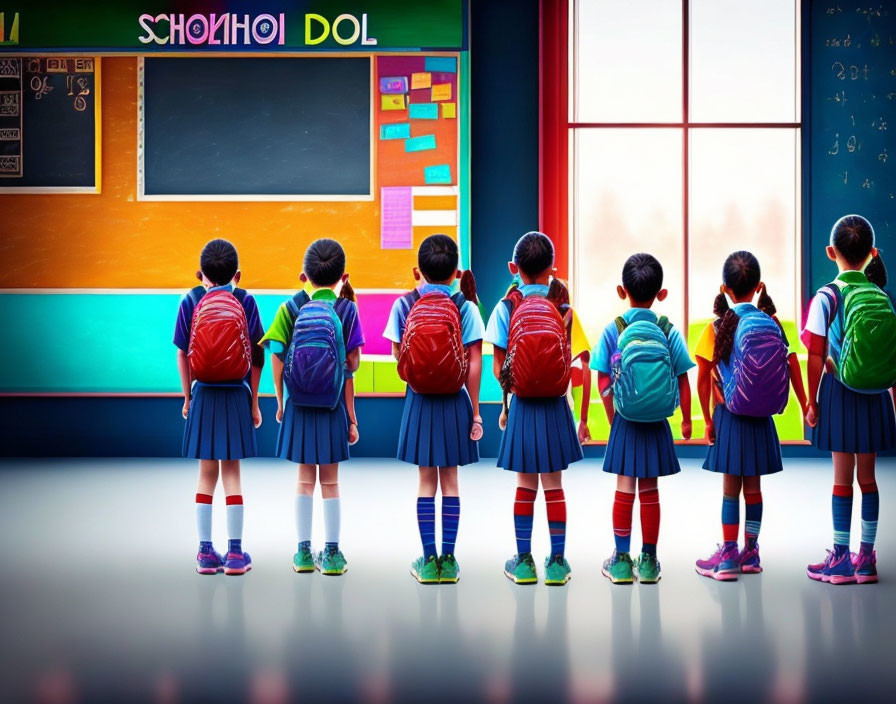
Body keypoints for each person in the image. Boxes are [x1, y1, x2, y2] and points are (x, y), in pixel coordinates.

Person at [694, 251, 807, 580]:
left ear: (724, 289)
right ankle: (751, 552)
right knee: (754, 489)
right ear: (758, 287)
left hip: (730, 417)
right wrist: (804, 403)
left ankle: (728, 556)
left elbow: (703, 378)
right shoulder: (770, 322)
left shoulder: (716, 327)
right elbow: (791, 362)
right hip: (761, 418)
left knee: (731, 489)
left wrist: (708, 418)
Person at [486, 231, 590, 587]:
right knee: (554, 487)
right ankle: (558, 563)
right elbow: (571, 363)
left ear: (514, 268)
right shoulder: (564, 309)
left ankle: (525, 561)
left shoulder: (505, 308)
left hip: (523, 407)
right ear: (552, 270)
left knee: (525, 487)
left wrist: (514, 391)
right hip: (556, 406)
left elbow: (499, 368)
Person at [384, 234, 483, 584]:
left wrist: (419, 375)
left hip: (420, 400)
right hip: (456, 400)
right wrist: (474, 412)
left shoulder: (404, 304)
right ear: (456, 273)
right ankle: (449, 560)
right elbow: (473, 363)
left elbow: (398, 356)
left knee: (426, 481)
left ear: (418, 270)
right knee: (451, 480)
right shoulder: (466, 307)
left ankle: (428, 563)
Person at [261, 239, 364, 576]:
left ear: (303, 275)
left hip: (300, 407)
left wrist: (280, 401)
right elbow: (352, 367)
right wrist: (351, 418)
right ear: (343, 277)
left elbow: (276, 356)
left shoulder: (289, 309)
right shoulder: (347, 310)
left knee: (304, 480)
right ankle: (332, 555)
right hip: (332, 407)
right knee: (330, 482)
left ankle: (304, 553)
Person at [803, 215, 896, 585]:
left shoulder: (827, 296)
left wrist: (811, 401)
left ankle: (840, 559)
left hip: (840, 393)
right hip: (875, 397)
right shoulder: (882, 297)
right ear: (872, 254)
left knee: (842, 480)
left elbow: (814, 354)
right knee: (868, 479)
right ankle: (867, 559)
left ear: (831, 252)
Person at [592, 253, 693, 585]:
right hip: (657, 421)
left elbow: (603, 381)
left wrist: (612, 417)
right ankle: (649, 562)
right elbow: (682, 378)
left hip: (625, 420)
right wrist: (688, 419)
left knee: (624, 489)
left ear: (622, 291)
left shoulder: (614, 329)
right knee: (650, 491)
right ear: (661, 294)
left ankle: (621, 561)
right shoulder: (667, 330)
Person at [174, 238, 264, 576]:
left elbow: (182, 352)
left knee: (206, 474)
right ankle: (236, 554)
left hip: (204, 394)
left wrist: (188, 396)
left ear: (201, 274)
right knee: (232, 474)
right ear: (237, 274)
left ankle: (204, 552)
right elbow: (257, 356)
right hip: (236, 395)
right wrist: (253, 402)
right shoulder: (245, 300)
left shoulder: (192, 299)